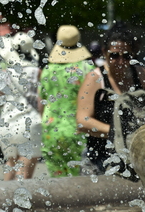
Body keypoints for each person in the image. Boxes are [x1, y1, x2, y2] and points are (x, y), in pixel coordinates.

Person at [76, 22, 145, 175]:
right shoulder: (95, 78)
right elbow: (82, 121)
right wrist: (119, 133)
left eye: (127, 56)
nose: (121, 61)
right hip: (99, 158)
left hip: (133, 155)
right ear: (104, 52)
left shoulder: (139, 72)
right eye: (114, 55)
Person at [0, 32, 42, 180]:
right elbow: (41, 102)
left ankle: (5, 200)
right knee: (24, 170)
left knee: (10, 164)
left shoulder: (4, 72)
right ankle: (20, 202)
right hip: (30, 124)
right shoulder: (37, 72)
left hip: (7, 125)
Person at [38, 25, 95, 177]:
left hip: (51, 129)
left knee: (57, 180)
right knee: (77, 181)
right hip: (77, 129)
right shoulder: (86, 67)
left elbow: (41, 101)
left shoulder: (48, 70)